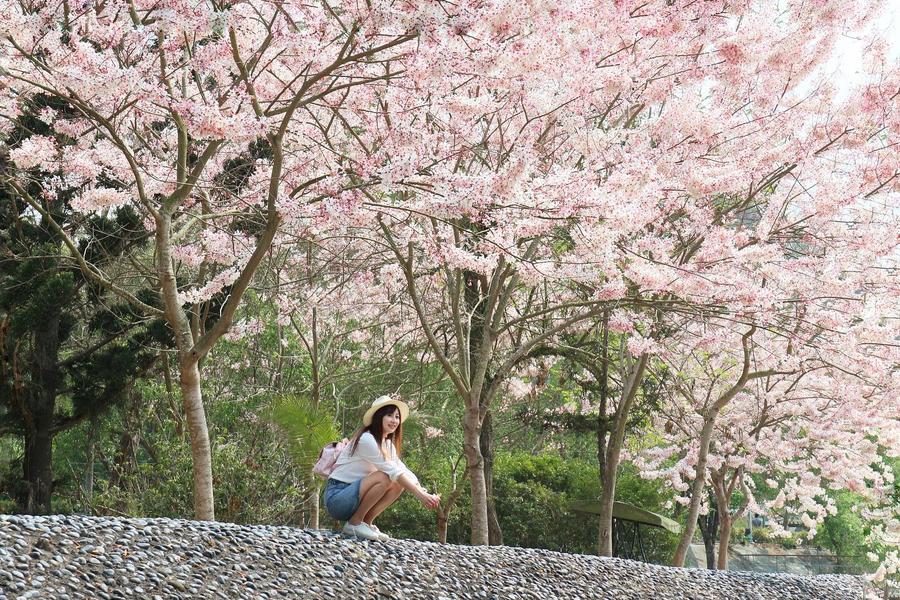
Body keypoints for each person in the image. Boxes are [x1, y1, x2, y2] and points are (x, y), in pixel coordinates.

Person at [324, 395, 440, 541]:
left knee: (398, 483)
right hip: (338, 498)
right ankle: (354, 523)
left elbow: (401, 469)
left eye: (397, 417)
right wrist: (420, 496)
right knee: (384, 477)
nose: (394, 420)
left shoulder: (387, 445)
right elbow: (393, 471)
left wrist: (424, 491)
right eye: (389, 415)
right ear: (379, 417)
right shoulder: (366, 439)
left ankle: (365, 522)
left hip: (355, 496)